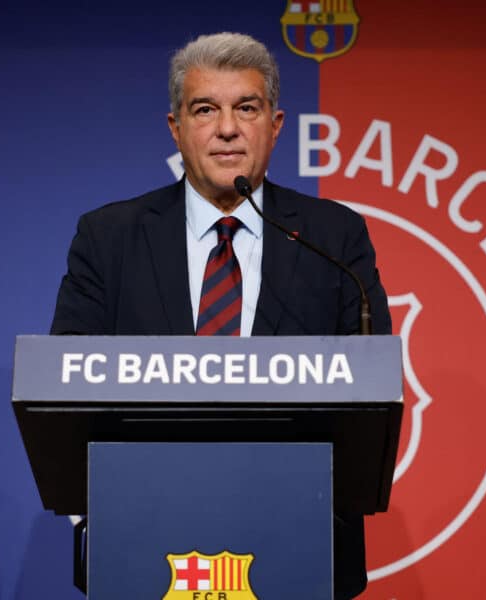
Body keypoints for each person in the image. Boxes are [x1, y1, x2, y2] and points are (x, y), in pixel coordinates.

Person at [51, 32, 390, 599]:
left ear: (275, 125)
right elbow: (65, 391)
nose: (227, 128)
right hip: (142, 543)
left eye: (247, 108)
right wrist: (97, 512)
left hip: (302, 548)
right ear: (176, 127)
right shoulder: (108, 237)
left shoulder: (334, 237)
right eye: (205, 109)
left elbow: (370, 399)